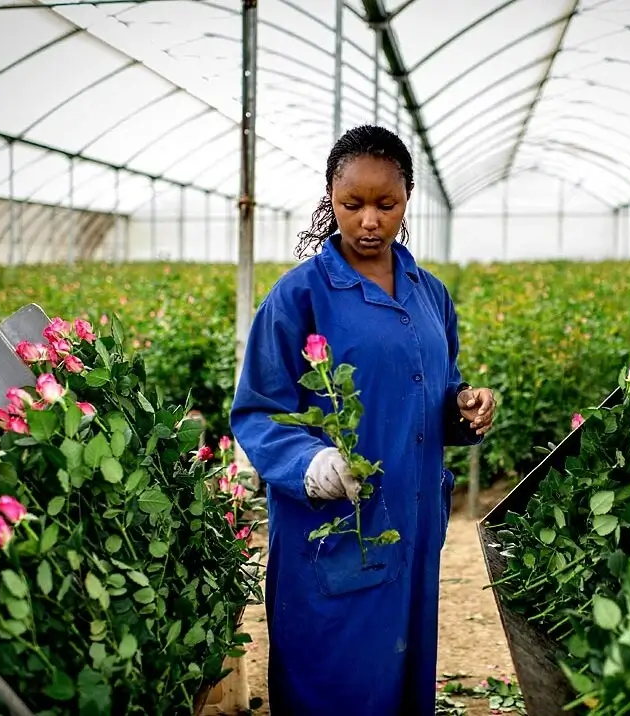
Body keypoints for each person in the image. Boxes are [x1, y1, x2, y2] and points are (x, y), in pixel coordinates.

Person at [229, 124, 496, 715]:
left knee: (400, 675)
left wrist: (463, 406)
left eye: (387, 204)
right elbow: (256, 411)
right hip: (333, 529)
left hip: (411, 524)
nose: (370, 221)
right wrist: (313, 464)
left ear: (406, 202)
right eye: (352, 205)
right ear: (330, 197)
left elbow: (436, 389)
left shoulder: (430, 295)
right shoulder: (299, 297)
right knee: (336, 681)